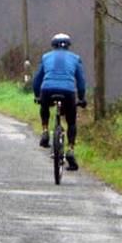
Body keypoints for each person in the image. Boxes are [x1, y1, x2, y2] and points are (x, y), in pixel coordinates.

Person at [33, 33, 87, 171]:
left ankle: (45, 131)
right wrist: (81, 98)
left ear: (53, 46)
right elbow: (81, 83)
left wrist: (37, 95)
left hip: (47, 90)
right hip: (68, 91)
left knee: (44, 106)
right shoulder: (75, 58)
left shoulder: (45, 57)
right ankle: (70, 150)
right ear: (68, 46)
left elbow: (37, 80)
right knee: (71, 122)